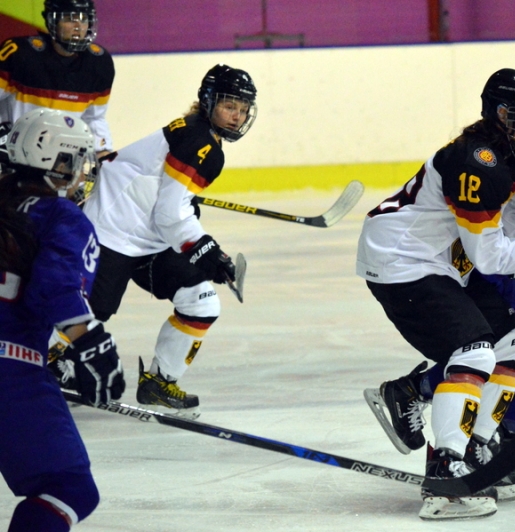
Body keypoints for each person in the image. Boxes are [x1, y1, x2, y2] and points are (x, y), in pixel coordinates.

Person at [357, 68, 515, 520]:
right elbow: (489, 255)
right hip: (400, 259)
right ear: (503, 114)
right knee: (473, 351)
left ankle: (475, 446)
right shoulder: (476, 161)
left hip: (444, 260)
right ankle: (446, 468)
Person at [76, 64, 257, 417]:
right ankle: (45, 365)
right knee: (87, 313)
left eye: (242, 108)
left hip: (149, 239)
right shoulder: (200, 141)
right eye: (229, 106)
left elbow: (168, 201)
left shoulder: (200, 133)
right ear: (209, 102)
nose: (236, 116)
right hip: (111, 230)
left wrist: (190, 212)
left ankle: (158, 383)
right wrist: (206, 250)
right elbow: (170, 214)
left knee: (201, 302)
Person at [0, 108, 125, 532]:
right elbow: (54, 288)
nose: (82, 173)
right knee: (68, 488)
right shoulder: (61, 216)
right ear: (59, 162)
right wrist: (91, 345)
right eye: (78, 161)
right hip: (10, 370)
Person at [0, 0, 115, 159]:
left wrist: (102, 151)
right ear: (52, 21)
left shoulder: (99, 63)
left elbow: (93, 117)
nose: (78, 27)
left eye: (83, 19)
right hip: (11, 157)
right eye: (69, 19)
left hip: (59, 162)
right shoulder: (19, 54)